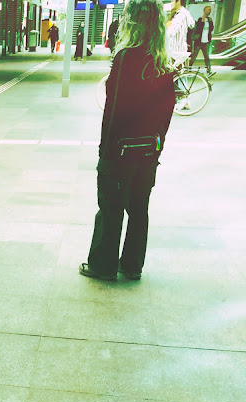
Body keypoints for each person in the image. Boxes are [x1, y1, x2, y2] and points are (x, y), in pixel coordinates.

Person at [80, 0, 176, 281]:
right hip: (148, 153)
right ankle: (132, 265)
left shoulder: (125, 59)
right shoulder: (164, 62)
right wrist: (157, 147)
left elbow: (114, 111)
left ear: (131, 21)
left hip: (119, 151)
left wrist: (104, 152)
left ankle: (102, 265)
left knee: (110, 208)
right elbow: (166, 114)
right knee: (138, 209)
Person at [190, 5, 214, 75]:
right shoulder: (200, 19)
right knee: (194, 56)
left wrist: (211, 22)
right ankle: (189, 68)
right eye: (208, 9)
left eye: (210, 10)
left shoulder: (209, 20)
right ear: (205, 10)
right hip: (199, 41)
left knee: (207, 57)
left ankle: (209, 70)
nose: (210, 11)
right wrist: (203, 20)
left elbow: (211, 29)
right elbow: (199, 29)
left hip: (206, 42)